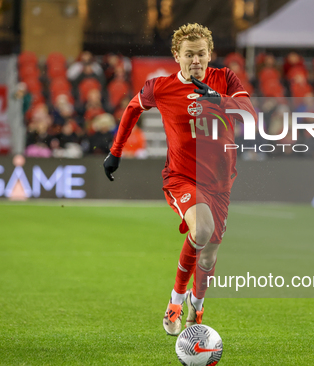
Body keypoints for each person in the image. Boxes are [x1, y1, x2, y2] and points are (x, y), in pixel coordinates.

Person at [103, 23, 255, 336]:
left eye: (201, 54)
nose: (196, 60)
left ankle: (196, 308)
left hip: (221, 183)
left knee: (210, 251)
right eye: (189, 55)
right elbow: (132, 108)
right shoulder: (160, 87)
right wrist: (115, 152)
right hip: (182, 177)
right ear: (177, 56)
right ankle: (175, 300)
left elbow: (249, 113)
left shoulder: (225, 79)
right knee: (201, 228)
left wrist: (218, 100)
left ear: (210, 54)